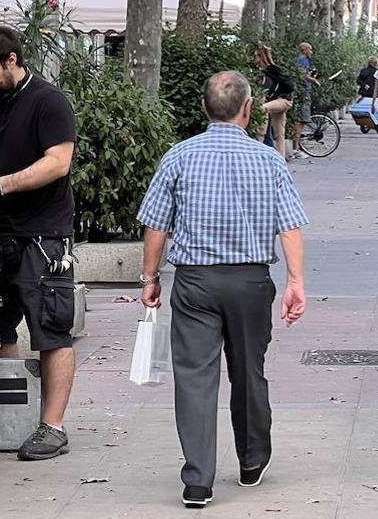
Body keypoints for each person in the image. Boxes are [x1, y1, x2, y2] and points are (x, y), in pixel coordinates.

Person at [137, 71, 308, 509]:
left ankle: (198, 480)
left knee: (195, 377)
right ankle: (252, 460)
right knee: (249, 371)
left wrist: (150, 277)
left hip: (195, 282)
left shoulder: (179, 156)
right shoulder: (269, 160)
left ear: (204, 108)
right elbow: (289, 226)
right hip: (250, 281)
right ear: (248, 110)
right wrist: (295, 282)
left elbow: (156, 225)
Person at [0, 25, 78, 462]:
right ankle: (12, 418)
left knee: (52, 331)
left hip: (43, 234)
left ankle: (53, 427)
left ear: (11, 60)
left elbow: (58, 163)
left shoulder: (48, 102)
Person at [254, 44, 295, 158]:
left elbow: (264, 92)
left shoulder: (267, 72)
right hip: (284, 100)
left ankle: (260, 138)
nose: (254, 59)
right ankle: (281, 159)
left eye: (255, 56)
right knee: (279, 134)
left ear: (260, 57)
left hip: (283, 100)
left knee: (262, 109)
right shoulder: (273, 69)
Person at [290, 42, 321, 160]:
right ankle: (295, 149)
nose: (311, 52)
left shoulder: (299, 60)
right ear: (304, 50)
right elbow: (303, 76)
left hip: (301, 91)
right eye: (310, 50)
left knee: (300, 121)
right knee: (301, 121)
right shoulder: (302, 60)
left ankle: (296, 147)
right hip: (303, 92)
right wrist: (314, 81)